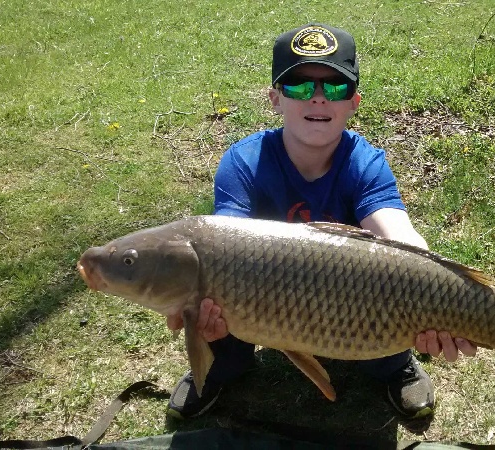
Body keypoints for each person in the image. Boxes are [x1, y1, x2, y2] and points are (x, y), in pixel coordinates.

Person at [165, 23, 478, 420]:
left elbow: (398, 235)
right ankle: (216, 369)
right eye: (298, 86)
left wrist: (444, 296)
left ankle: (394, 367)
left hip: (349, 302)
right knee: (216, 308)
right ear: (275, 98)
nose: (317, 99)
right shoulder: (244, 162)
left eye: (334, 88)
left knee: (394, 305)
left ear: (354, 102)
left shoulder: (364, 163)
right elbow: (220, 250)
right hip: (255, 299)